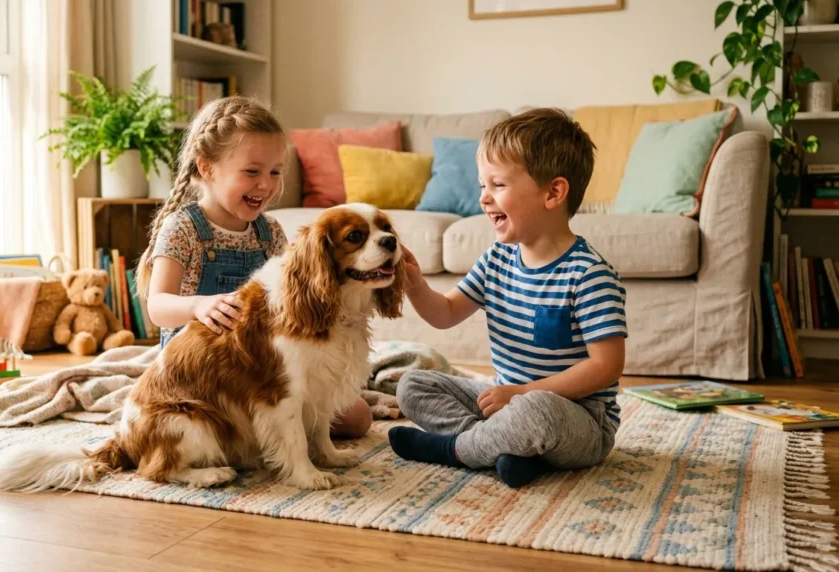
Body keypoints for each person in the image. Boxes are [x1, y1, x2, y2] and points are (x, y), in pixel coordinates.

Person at [387, 108, 627, 487]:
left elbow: (606, 367)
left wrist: (523, 393)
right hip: (505, 399)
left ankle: (456, 450)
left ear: (553, 193)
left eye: (497, 185)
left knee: (536, 410)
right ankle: (504, 449)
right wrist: (415, 285)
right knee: (412, 385)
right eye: (482, 185)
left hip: (577, 419)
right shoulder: (497, 260)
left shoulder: (588, 274)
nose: (484, 198)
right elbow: (446, 313)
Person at [134, 95, 371, 439]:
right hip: (204, 375)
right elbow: (157, 307)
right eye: (251, 171)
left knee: (358, 418)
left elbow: (295, 295)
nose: (266, 184)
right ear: (207, 168)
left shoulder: (269, 231)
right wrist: (198, 305)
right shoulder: (183, 228)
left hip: (262, 366)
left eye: (276, 172)